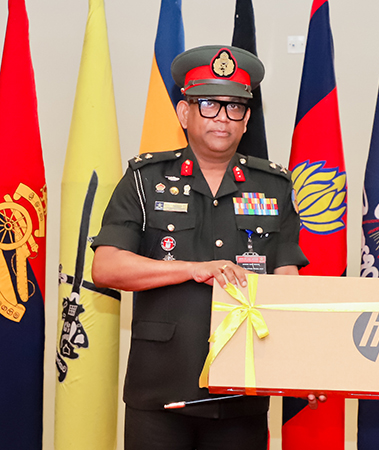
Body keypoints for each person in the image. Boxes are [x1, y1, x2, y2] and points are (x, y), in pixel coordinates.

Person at [91, 45, 313, 450]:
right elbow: (106, 267)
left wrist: (308, 362)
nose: (223, 118)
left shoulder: (274, 186)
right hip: (159, 392)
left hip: (241, 394)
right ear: (184, 113)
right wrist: (193, 268)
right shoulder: (145, 178)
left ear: (247, 119)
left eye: (235, 107)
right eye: (209, 105)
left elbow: (287, 284)